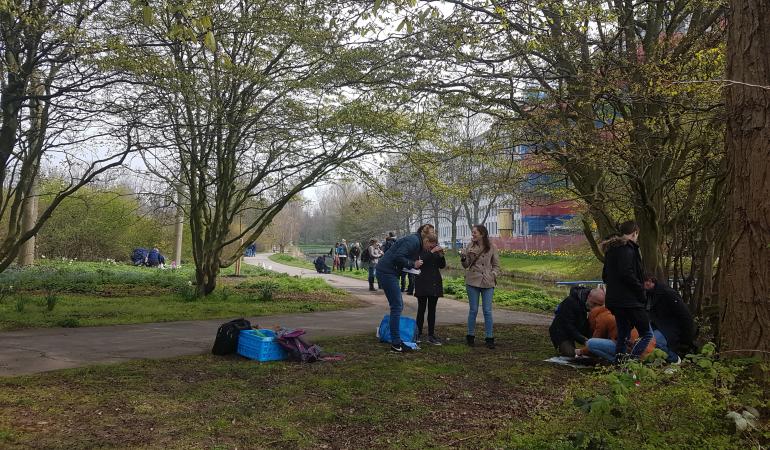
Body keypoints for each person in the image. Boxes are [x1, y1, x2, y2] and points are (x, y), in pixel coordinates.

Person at [376, 230, 437, 353]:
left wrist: (411, 266)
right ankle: (396, 343)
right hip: (387, 271)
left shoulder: (416, 241)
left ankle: (396, 341)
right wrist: (412, 264)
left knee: (397, 306)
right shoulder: (413, 241)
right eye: (430, 246)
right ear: (426, 240)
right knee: (397, 306)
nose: (428, 249)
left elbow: (400, 257)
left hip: (389, 271)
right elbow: (398, 257)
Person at [601, 220, 654, 360]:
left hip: (615, 300)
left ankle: (619, 363)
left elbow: (605, 276)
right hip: (629, 301)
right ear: (635, 233)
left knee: (623, 334)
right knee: (647, 334)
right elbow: (627, 274)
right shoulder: (628, 249)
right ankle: (631, 363)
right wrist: (640, 290)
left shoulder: (611, 250)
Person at [461, 224, 499, 349]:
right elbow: (466, 265)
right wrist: (463, 257)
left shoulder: (492, 247)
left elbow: (496, 265)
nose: (472, 235)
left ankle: (489, 338)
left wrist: (493, 274)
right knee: (473, 310)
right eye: (472, 233)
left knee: (487, 311)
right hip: (472, 281)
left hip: (488, 282)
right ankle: (470, 336)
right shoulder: (469, 246)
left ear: (482, 234)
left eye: (474, 233)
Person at [584, 297, 656, 363]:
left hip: (632, 350)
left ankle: (617, 361)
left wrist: (581, 351)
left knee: (591, 343)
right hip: (649, 351)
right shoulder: (632, 311)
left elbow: (597, 337)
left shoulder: (601, 317)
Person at [644, 274, 696, 364]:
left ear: (649, 281)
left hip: (669, 330)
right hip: (657, 327)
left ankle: (674, 359)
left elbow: (684, 315)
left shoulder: (667, 293)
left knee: (652, 342)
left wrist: (687, 340)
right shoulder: (648, 295)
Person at [549, 286, 605, 357]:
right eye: (594, 304)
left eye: (598, 306)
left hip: (578, 327)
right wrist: (583, 340)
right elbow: (568, 326)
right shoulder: (570, 302)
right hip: (561, 331)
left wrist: (595, 338)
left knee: (595, 352)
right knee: (571, 354)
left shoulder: (588, 302)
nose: (595, 308)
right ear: (588, 297)